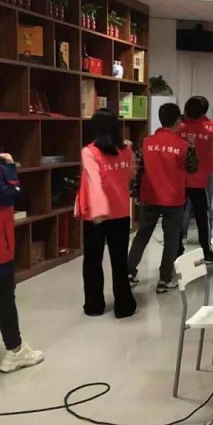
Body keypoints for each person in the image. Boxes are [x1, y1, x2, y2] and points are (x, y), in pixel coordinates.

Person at [128, 103, 199, 294]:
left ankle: (129, 273)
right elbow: (192, 168)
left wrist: (135, 194)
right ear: (178, 121)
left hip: (149, 197)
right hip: (173, 200)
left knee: (142, 236)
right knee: (171, 240)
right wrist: (192, 146)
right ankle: (164, 280)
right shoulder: (182, 145)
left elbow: (138, 169)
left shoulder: (147, 142)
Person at [75, 109, 136, 318]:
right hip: (120, 212)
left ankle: (94, 305)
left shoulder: (89, 151)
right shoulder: (126, 151)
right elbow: (130, 175)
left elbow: (94, 181)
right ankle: (124, 306)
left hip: (96, 215)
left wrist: (100, 209)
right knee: (119, 261)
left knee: (93, 260)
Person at [0, 136, 43, 373]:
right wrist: (10, 168)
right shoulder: (0, 167)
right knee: (3, 297)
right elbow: (9, 194)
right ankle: (15, 350)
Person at [179, 96, 213, 263]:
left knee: (180, 214)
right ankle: (206, 251)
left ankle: (178, 248)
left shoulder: (179, 127)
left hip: (180, 179)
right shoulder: (212, 128)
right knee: (202, 216)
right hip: (200, 180)